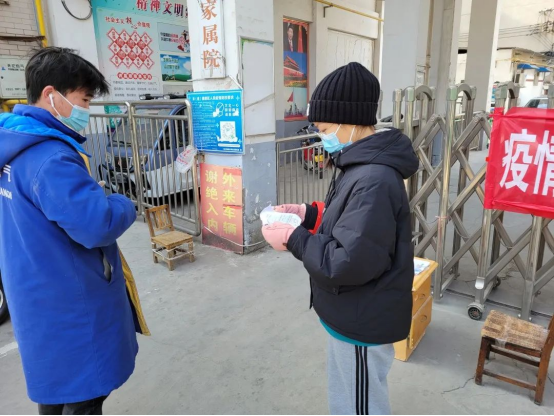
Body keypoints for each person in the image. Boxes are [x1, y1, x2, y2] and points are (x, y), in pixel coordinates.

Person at [262, 62, 419, 416]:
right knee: (348, 396)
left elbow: (349, 261)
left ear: (351, 121)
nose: (322, 137)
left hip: (362, 316)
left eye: (324, 129)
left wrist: (294, 238)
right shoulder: (357, 163)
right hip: (350, 311)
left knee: (359, 404)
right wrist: (308, 215)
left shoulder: (374, 178)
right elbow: (349, 222)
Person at [0, 47, 148, 416]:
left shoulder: (12, 144)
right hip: (70, 297)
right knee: (85, 394)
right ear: (51, 95)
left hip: (33, 288)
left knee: (55, 389)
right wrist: (122, 202)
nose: (86, 109)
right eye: (84, 100)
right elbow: (97, 224)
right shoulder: (51, 158)